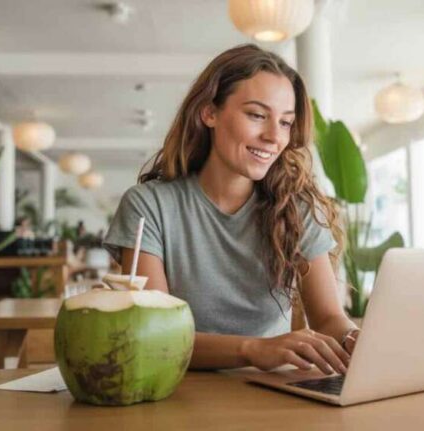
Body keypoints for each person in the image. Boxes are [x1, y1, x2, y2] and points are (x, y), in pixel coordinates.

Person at [104, 44, 359, 376]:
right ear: (209, 113)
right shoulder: (148, 205)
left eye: (285, 122)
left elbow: (327, 318)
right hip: (176, 388)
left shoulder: (295, 208)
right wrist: (252, 349)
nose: (273, 136)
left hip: (270, 391)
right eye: (256, 115)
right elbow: (155, 334)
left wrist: (354, 337)